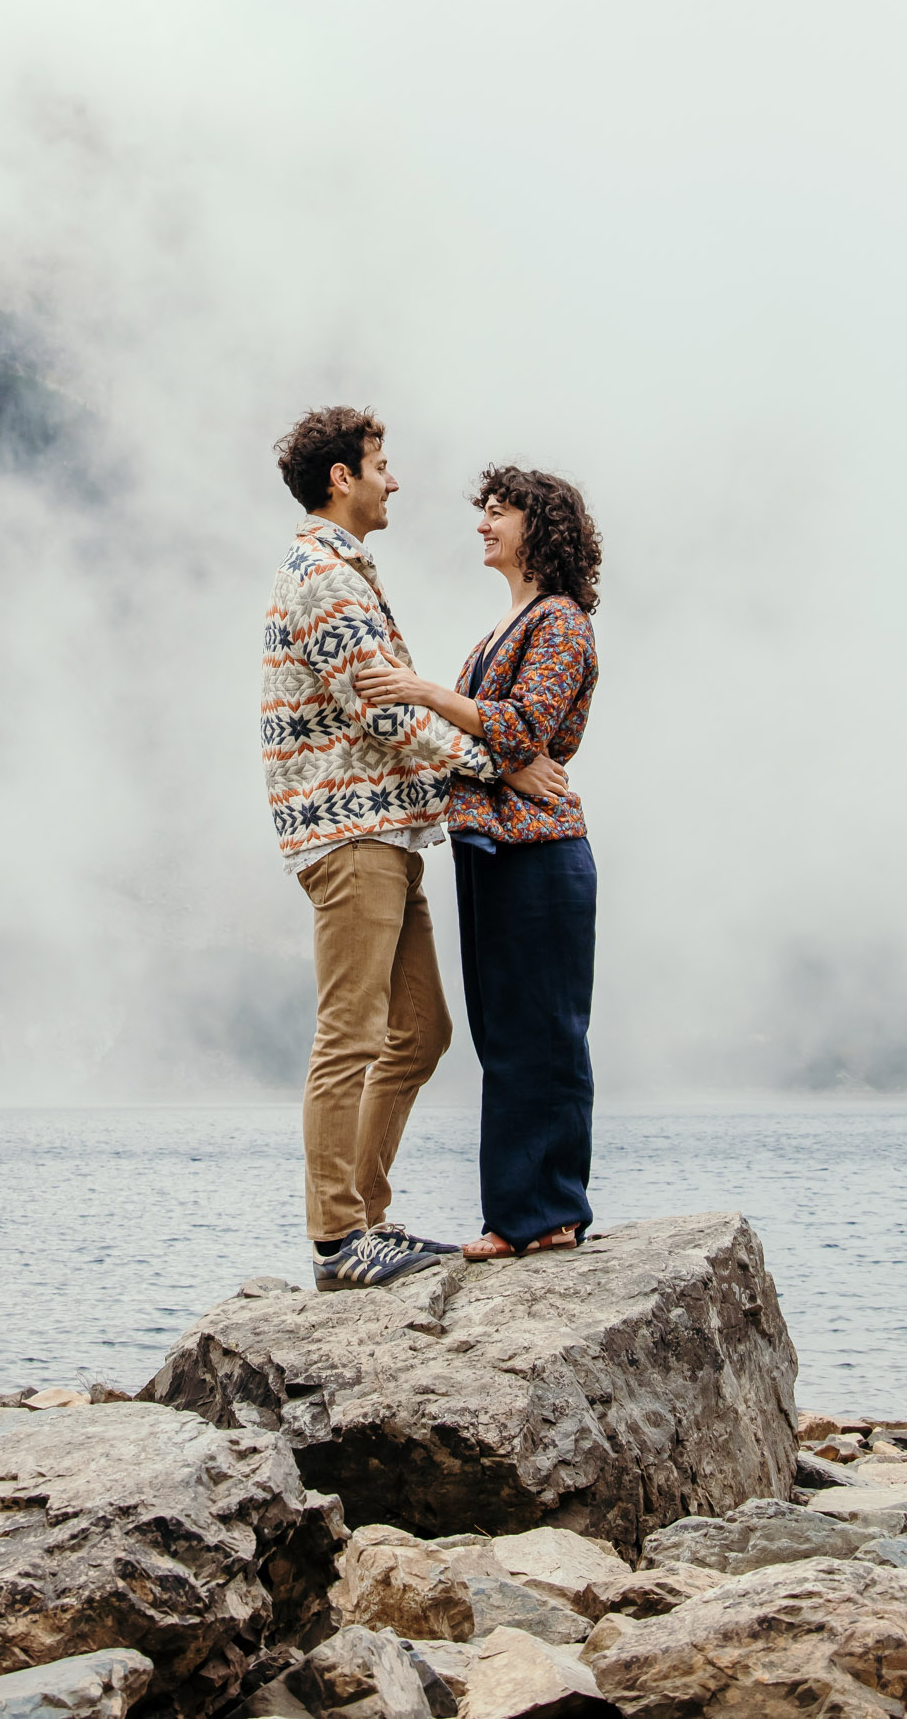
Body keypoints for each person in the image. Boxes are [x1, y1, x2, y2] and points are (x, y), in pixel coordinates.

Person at [263, 408, 570, 1291]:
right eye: (380, 464)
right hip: (350, 831)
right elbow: (385, 715)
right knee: (350, 1034)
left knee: (423, 1031)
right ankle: (338, 1241)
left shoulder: (344, 572)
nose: (392, 479)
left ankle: (362, 1215)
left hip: (386, 830)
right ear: (342, 479)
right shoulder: (324, 577)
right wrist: (501, 764)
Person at [356, 466, 600, 1259]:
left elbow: (522, 726)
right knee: (502, 1036)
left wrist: (423, 692)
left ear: (539, 527)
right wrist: (481, 741)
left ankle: (547, 1213)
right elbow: (493, 742)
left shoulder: (560, 621)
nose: (482, 524)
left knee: (544, 1032)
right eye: (484, 511)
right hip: (489, 846)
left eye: (498, 512)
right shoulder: (504, 625)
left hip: (541, 851)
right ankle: (516, 1213)